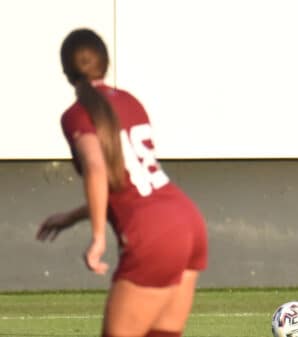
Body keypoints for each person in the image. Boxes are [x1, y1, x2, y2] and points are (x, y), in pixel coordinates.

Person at [36, 28, 207, 337]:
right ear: (106, 63)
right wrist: (73, 217)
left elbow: (97, 168)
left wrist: (98, 236)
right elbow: (130, 180)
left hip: (151, 233)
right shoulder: (129, 100)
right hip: (186, 220)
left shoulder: (77, 114)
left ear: (65, 71)